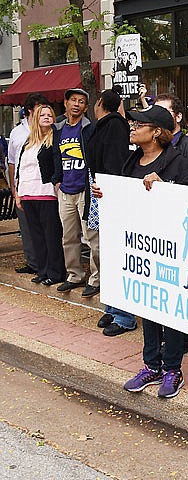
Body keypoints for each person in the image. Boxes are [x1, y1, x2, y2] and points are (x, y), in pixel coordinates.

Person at [92, 104, 188, 399]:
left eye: (139, 124)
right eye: (133, 123)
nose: (133, 127)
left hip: (172, 251)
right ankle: (151, 365)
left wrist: (166, 188)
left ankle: (173, 369)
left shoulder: (177, 162)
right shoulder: (131, 161)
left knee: (172, 311)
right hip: (143, 250)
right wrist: (107, 195)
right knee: (149, 306)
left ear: (156, 132)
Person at [85, 89, 136, 334]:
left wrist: (111, 196)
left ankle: (124, 316)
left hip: (112, 198)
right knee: (108, 253)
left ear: (101, 104)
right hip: (102, 195)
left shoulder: (115, 126)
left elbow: (114, 165)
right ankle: (113, 308)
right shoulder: (104, 126)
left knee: (117, 255)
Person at [52, 89, 99, 292]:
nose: (77, 104)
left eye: (81, 102)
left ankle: (96, 279)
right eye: (73, 100)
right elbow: (55, 155)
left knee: (92, 238)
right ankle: (75, 275)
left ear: (86, 107)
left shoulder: (90, 128)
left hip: (85, 190)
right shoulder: (59, 129)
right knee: (68, 237)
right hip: (65, 190)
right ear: (66, 103)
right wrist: (56, 180)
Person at [14, 105, 66, 286]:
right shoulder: (29, 141)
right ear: (35, 118)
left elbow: (58, 165)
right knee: (36, 236)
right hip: (27, 194)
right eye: (42, 115)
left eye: (49, 114)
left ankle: (56, 272)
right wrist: (18, 193)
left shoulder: (56, 138)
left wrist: (55, 182)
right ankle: (42, 271)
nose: (46, 117)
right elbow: (20, 168)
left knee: (51, 235)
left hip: (46, 194)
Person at [8, 93, 49, 275]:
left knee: (47, 229)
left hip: (44, 188)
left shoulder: (49, 129)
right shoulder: (17, 133)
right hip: (23, 187)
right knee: (27, 228)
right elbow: (12, 162)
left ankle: (48, 265)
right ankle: (33, 263)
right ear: (29, 110)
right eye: (38, 109)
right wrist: (13, 188)